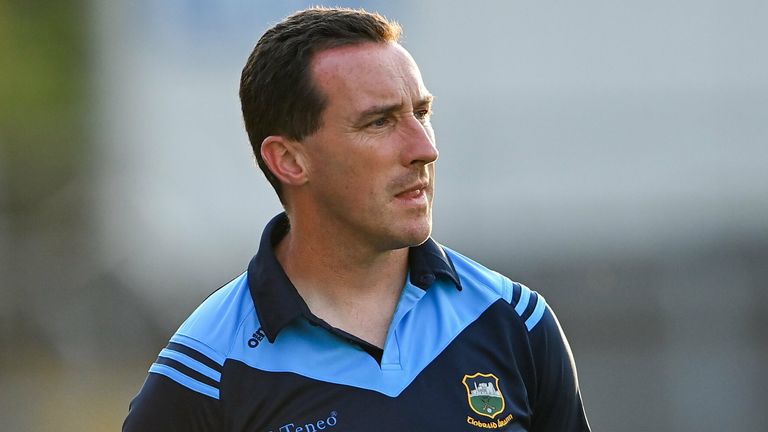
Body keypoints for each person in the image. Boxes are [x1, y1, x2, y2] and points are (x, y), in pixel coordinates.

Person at [123, 7, 590, 432]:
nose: (424, 149)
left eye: (421, 113)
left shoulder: (512, 320)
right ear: (288, 160)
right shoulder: (207, 370)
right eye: (379, 122)